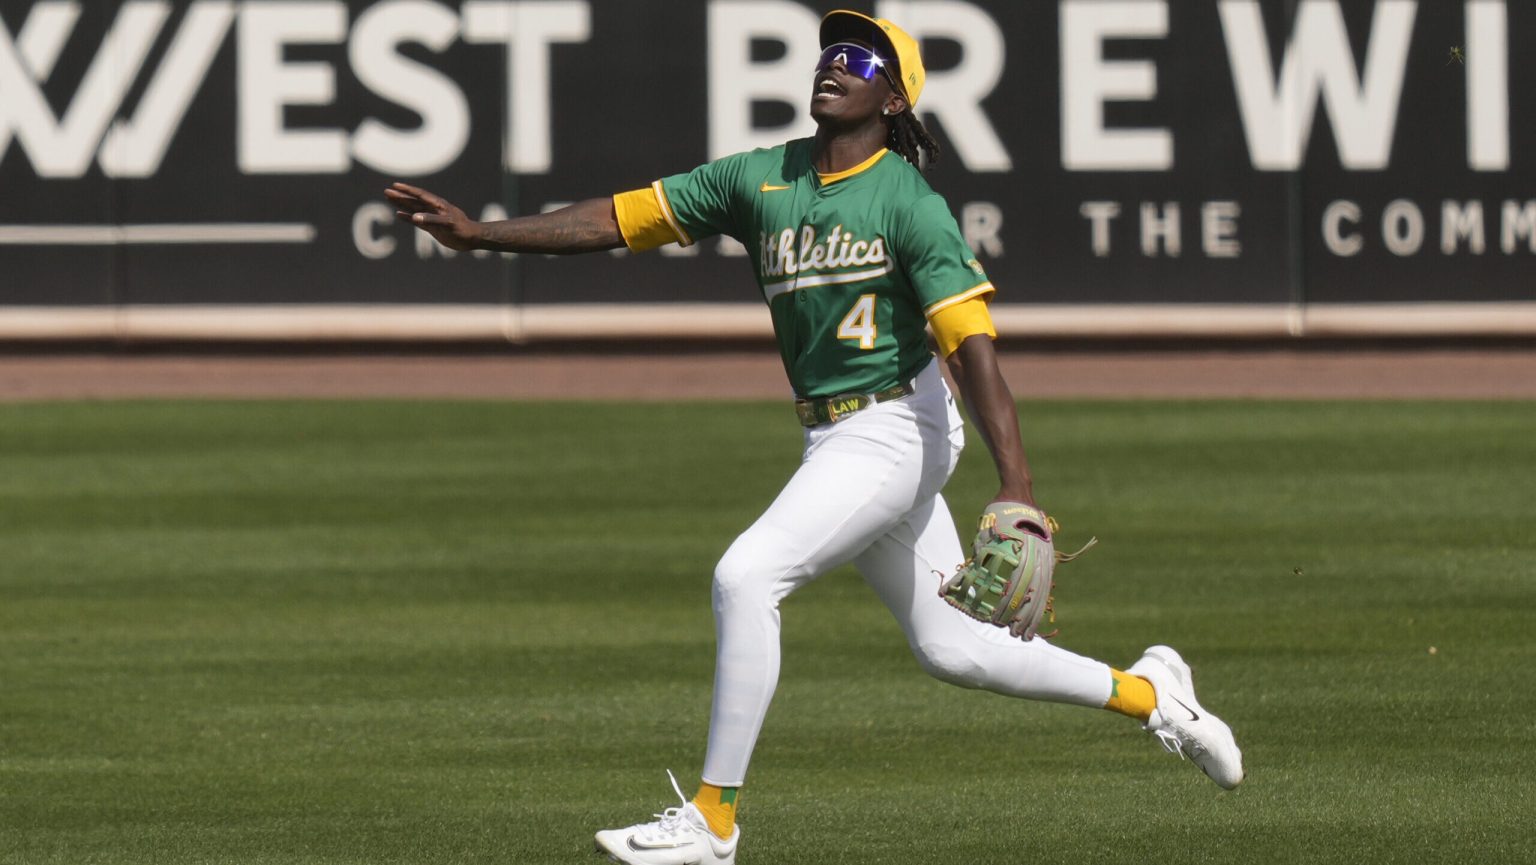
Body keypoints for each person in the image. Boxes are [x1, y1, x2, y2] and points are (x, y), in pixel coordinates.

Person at [387, 11, 1243, 865]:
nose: (836, 63)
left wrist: (1016, 482)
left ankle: (714, 820)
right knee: (955, 647)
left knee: (746, 575)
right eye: (831, 50)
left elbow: (970, 347)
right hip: (835, 437)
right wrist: (480, 235)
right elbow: (620, 217)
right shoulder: (761, 178)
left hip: (898, 423)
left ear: (894, 99)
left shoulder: (907, 202)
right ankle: (1154, 693)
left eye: (861, 58)